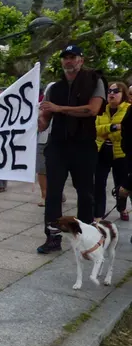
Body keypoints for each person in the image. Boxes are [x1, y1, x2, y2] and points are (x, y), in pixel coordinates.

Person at [39, 45, 105, 254]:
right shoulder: (53, 88)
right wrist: (31, 121)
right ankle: (53, 237)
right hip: (58, 146)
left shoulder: (95, 81)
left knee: (85, 193)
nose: (68, 61)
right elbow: (46, 119)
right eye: (65, 58)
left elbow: (92, 110)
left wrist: (60, 109)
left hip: (83, 146)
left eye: (72, 57)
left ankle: (85, 236)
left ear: (81, 60)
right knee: (52, 194)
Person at [94, 82, 130, 221]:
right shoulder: (101, 109)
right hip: (102, 150)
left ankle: (121, 208)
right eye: (109, 91)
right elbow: (95, 129)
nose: (111, 94)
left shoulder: (128, 109)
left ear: (123, 94)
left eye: (116, 91)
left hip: (121, 152)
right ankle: (98, 214)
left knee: (121, 184)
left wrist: (105, 130)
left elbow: (126, 131)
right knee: (99, 183)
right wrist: (113, 127)